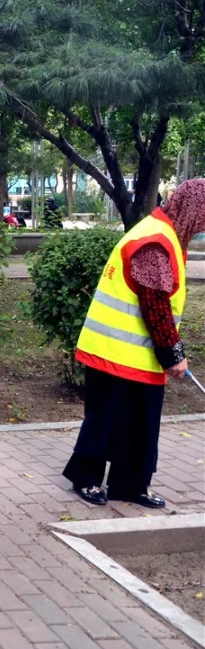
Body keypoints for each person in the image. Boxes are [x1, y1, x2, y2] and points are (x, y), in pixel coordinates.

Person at [63, 178, 205, 508]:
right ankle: (85, 478)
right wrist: (174, 354)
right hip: (113, 352)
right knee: (105, 421)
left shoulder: (168, 236)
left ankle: (131, 485)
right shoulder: (154, 241)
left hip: (138, 356)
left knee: (141, 423)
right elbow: (154, 304)